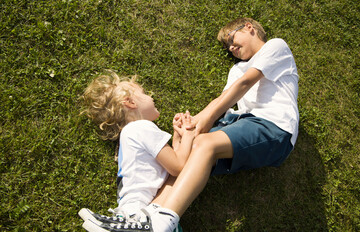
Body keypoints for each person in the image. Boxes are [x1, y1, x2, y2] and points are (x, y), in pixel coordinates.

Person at [84, 16, 299, 232]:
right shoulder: (236, 70)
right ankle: (145, 218)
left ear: (249, 27)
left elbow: (244, 85)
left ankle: (163, 221)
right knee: (185, 161)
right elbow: (223, 103)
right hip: (242, 125)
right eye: (228, 46)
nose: (231, 47)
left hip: (275, 127)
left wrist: (204, 118)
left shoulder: (275, 46)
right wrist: (189, 127)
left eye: (232, 39)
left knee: (205, 143)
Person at [78, 72, 194, 232]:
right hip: (144, 216)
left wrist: (177, 138)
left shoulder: (128, 135)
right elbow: (178, 167)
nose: (151, 97)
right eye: (144, 93)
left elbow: (172, 164)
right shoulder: (141, 128)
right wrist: (189, 134)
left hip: (135, 211)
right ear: (131, 102)